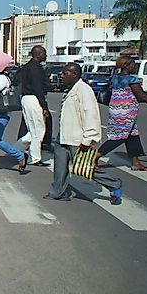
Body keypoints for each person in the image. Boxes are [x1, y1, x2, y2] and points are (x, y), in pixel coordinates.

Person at [45, 63, 123, 205]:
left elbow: (91, 115)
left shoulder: (84, 90)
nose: (62, 76)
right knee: (60, 167)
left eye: (65, 73)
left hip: (78, 138)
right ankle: (58, 192)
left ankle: (114, 184)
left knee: (85, 168)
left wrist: (89, 139)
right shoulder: (71, 89)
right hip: (64, 135)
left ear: (74, 74)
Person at [97, 56, 147, 171]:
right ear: (126, 65)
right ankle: (95, 156)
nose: (135, 66)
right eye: (132, 64)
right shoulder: (131, 80)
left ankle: (136, 163)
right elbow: (142, 96)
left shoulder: (116, 77)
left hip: (117, 110)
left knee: (132, 135)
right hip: (126, 113)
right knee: (118, 137)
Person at [17, 46, 50, 166]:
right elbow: (38, 88)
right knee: (39, 130)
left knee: (32, 130)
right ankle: (35, 158)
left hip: (26, 98)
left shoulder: (25, 67)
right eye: (44, 53)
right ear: (38, 54)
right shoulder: (36, 68)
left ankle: (16, 150)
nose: (45, 56)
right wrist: (44, 106)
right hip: (34, 99)